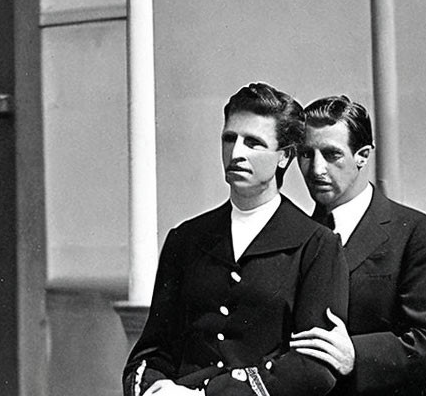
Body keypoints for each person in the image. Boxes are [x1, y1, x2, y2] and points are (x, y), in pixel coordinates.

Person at [123, 83, 349, 396]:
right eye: (230, 139)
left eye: (254, 143)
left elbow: (313, 368)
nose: (237, 153)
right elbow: (153, 351)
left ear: (284, 157)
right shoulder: (186, 239)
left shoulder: (315, 244)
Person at [289, 96, 426, 396]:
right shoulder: (296, 236)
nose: (316, 169)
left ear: (362, 155)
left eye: (331, 154)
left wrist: (356, 355)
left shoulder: (417, 233)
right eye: (305, 154)